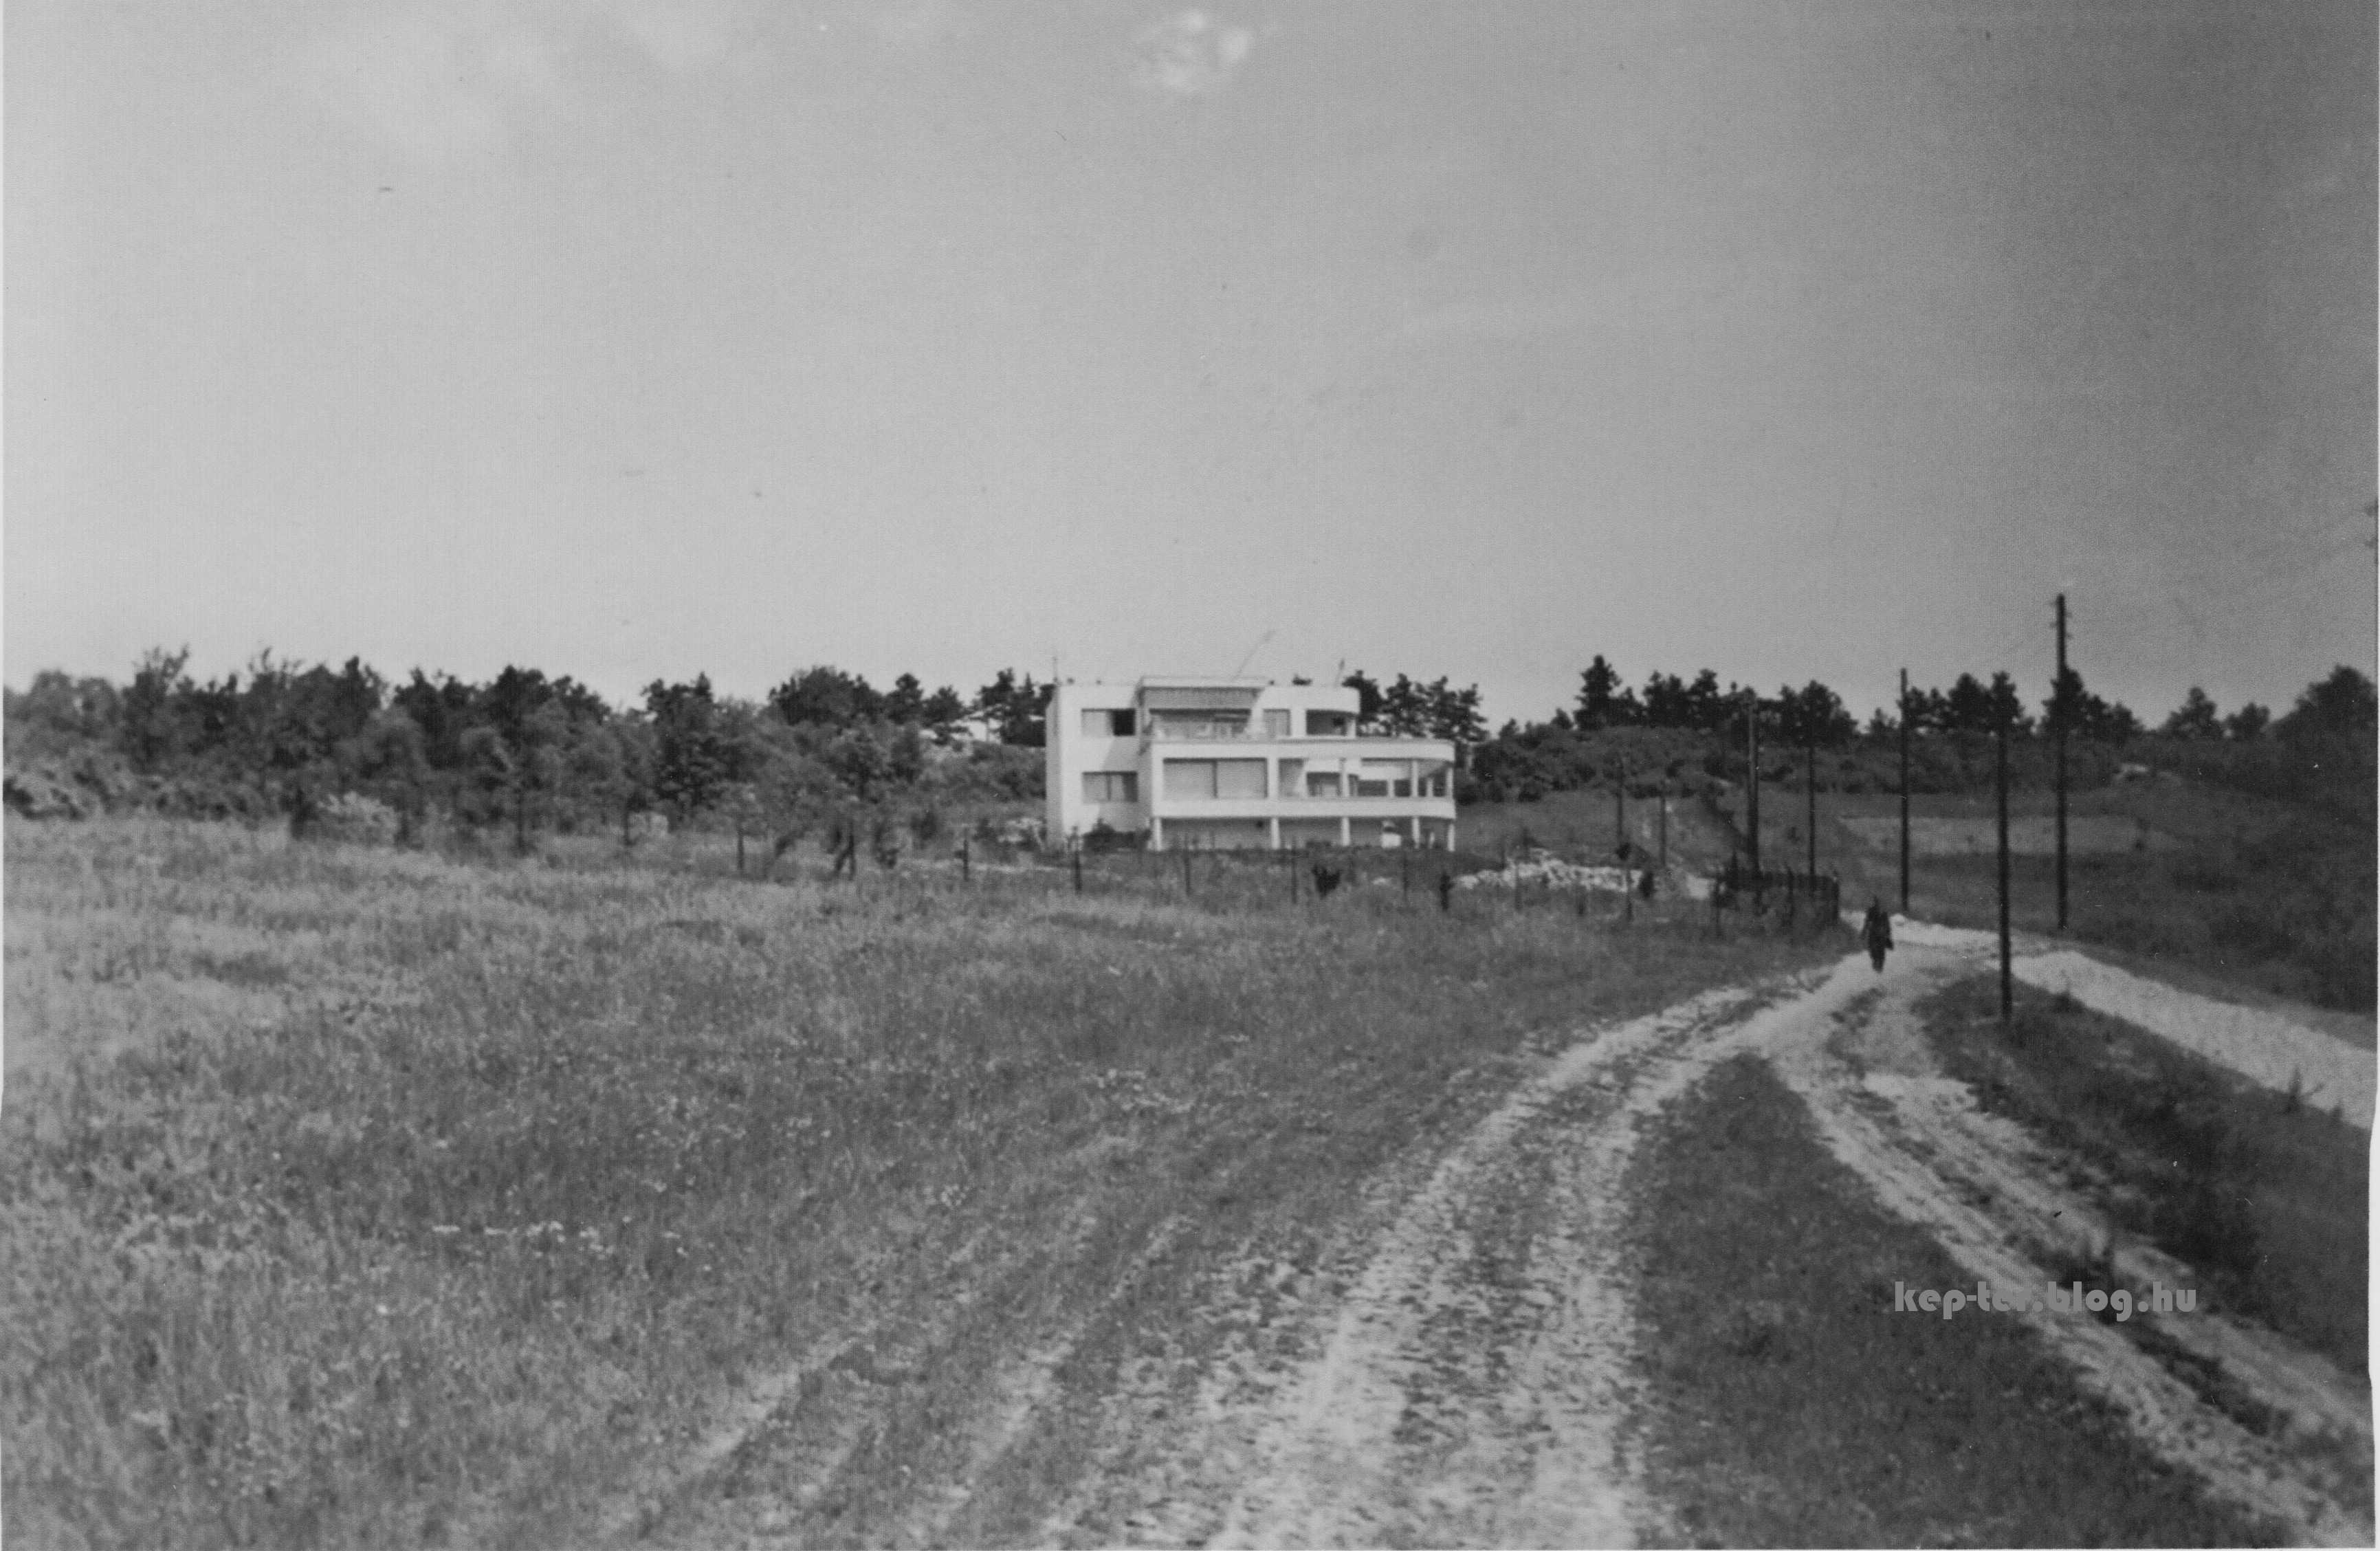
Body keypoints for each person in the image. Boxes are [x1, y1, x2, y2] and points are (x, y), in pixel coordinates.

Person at [1862, 896, 1894, 972]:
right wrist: (1888, 933)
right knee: (1877, 948)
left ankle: (1878, 961)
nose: (1878, 904)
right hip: (1878, 932)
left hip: (1876, 932)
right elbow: (1886, 923)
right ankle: (1878, 961)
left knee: (1876, 948)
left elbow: (1868, 921)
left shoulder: (1874, 911)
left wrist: (1864, 930)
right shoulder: (1878, 911)